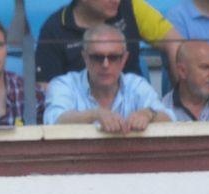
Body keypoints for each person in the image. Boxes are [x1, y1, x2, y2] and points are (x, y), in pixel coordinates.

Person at [43, 24, 172, 131]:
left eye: (113, 57)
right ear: (85, 58)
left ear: (124, 59)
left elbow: (170, 118)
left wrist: (148, 114)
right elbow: (53, 121)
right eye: (98, 57)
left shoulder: (136, 85)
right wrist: (95, 114)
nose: (105, 65)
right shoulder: (64, 85)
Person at [35, 0, 182, 85]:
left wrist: (180, 102)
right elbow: (47, 91)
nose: (116, 0)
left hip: (135, 112)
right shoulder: (53, 30)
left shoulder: (131, 6)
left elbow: (177, 44)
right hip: (82, 120)